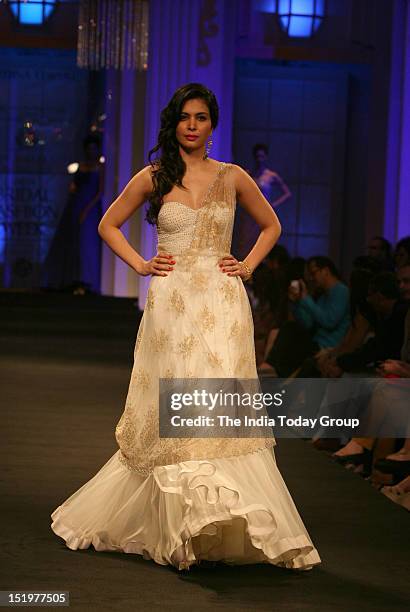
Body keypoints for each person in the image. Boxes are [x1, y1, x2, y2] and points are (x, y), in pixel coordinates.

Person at [50, 83, 320, 571]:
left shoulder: (233, 176)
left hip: (221, 297)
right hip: (172, 302)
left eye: (201, 117)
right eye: (185, 117)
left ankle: (217, 521)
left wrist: (248, 265)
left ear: (213, 125)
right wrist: (139, 263)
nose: (193, 125)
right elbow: (107, 224)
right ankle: (182, 527)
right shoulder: (155, 176)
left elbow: (272, 225)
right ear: (173, 123)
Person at [42, 134, 104, 294]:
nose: (91, 152)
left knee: (87, 244)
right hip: (76, 204)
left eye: (93, 149)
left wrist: (88, 209)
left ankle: (88, 281)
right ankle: (72, 279)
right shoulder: (80, 166)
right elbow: (74, 185)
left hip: (90, 208)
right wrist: (73, 189)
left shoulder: (100, 167)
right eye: (88, 149)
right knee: (72, 242)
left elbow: (100, 192)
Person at [232, 144, 291, 261]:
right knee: (245, 242)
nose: (260, 159)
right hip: (248, 215)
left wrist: (274, 204)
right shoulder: (249, 173)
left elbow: (287, 193)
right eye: (257, 156)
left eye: (262, 156)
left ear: (266, 157)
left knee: (264, 238)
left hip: (263, 213)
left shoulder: (271, 175)